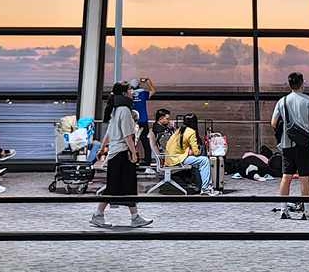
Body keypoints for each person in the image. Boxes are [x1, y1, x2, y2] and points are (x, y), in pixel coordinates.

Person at [91, 82, 152, 229]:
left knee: (125, 185)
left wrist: (103, 147)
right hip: (122, 153)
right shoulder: (124, 110)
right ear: (125, 93)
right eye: (130, 89)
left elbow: (109, 132)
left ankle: (134, 216)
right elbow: (127, 136)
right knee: (117, 186)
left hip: (115, 152)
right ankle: (99, 215)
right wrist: (133, 152)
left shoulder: (116, 109)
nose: (132, 91)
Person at [271, 72, 309, 220]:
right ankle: (307, 210)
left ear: (290, 84)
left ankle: (283, 210)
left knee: (286, 177)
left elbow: (273, 123)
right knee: (305, 178)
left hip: (287, 144)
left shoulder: (282, 101)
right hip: (305, 144)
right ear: (302, 83)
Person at [165, 113, 218, 196]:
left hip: (170, 158)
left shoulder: (179, 130)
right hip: (178, 159)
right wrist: (192, 151)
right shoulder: (191, 132)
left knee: (198, 162)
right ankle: (206, 189)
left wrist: (189, 151)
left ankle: (199, 186)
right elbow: (197, 152)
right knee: (204, 160)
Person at [129, 77, 156, 167]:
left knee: (131, 141)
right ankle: (147, 161)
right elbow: (153, 91)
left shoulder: (129, 94)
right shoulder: (143, 93)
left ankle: (133, 160)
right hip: (143, 121)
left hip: (132, 122)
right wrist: (148, 81)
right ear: (139, 85)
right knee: (145, 141)